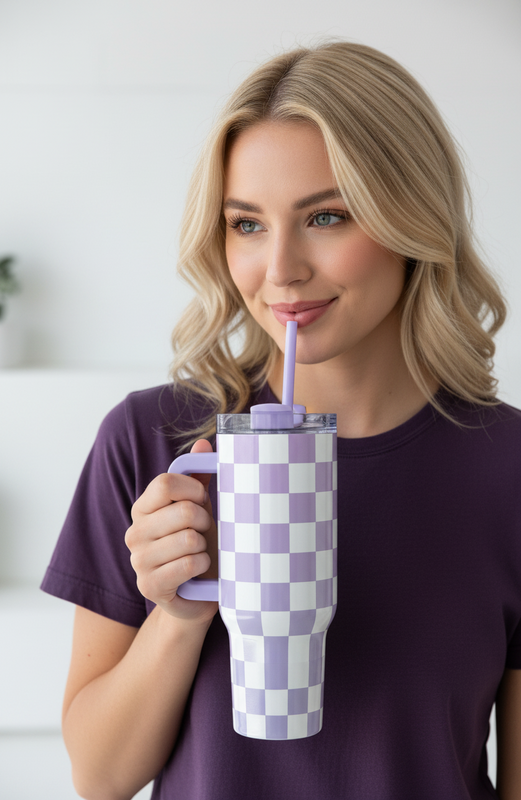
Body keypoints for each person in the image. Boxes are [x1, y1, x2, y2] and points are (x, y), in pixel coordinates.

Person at [41, 41, 521, 800]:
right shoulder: (152, 443)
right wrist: (179, 612)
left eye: (326, 216)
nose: (280, 270)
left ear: (412, 218)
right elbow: (99, 777)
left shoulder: (508, 469)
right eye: (247, 225)